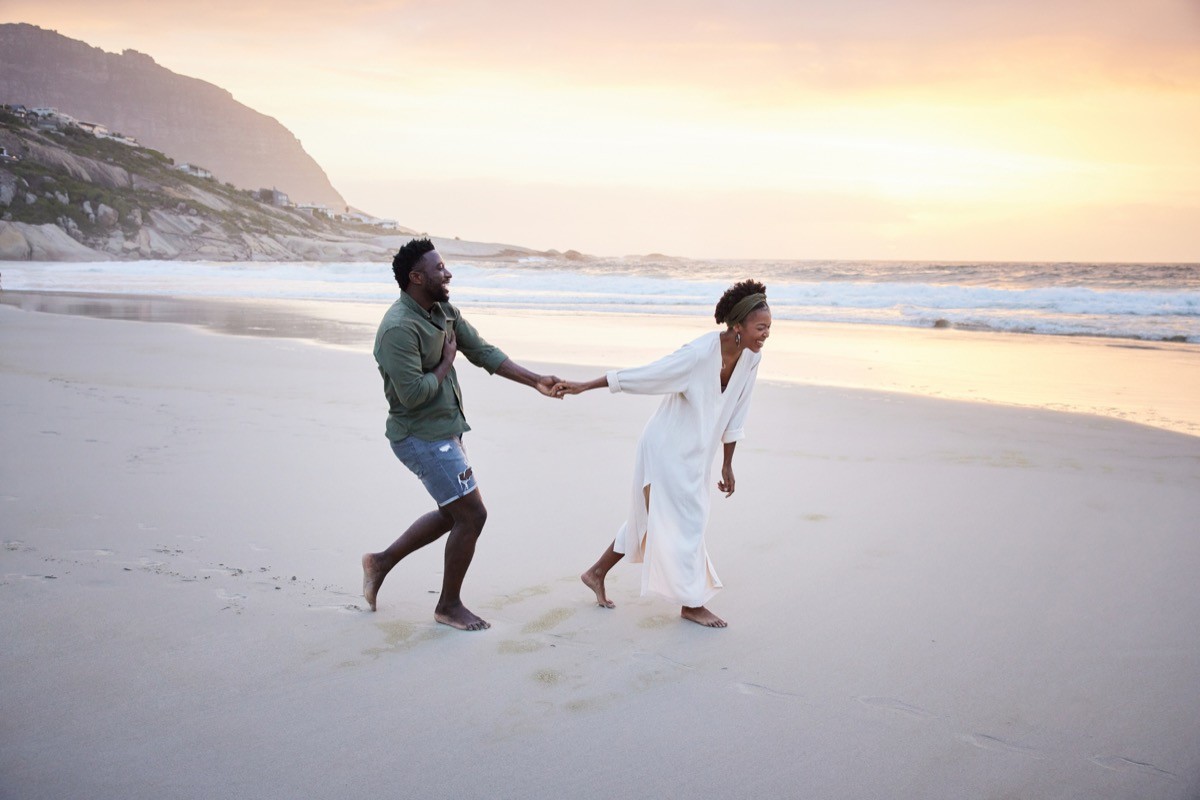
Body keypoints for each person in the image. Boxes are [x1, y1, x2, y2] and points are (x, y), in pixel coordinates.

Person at [362, 238, 562, 631]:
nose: (447, 273)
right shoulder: (397, 330)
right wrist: (446, 362)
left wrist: (536, 379)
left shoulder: (443, 311)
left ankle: (380, 563)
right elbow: (414, 394)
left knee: (453, 511)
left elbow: (484, 351)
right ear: (416, 278)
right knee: (472, 514)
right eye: (439, 269)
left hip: (445, 429)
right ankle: (448, 606)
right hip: (418, 435)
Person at [554, 280, 771, 628]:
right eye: (760, 328)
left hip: (699, 451)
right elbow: (646, 375)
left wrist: (728, 462)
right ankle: (691, 602)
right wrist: (585, 386)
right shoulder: (698, 355)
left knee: (656, 516)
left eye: (769, 329)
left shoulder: (751, 358)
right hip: (666, 446)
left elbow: (738, 411)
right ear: (737, 326)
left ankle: (596, 572)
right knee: (689, 520)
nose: (765, 335)